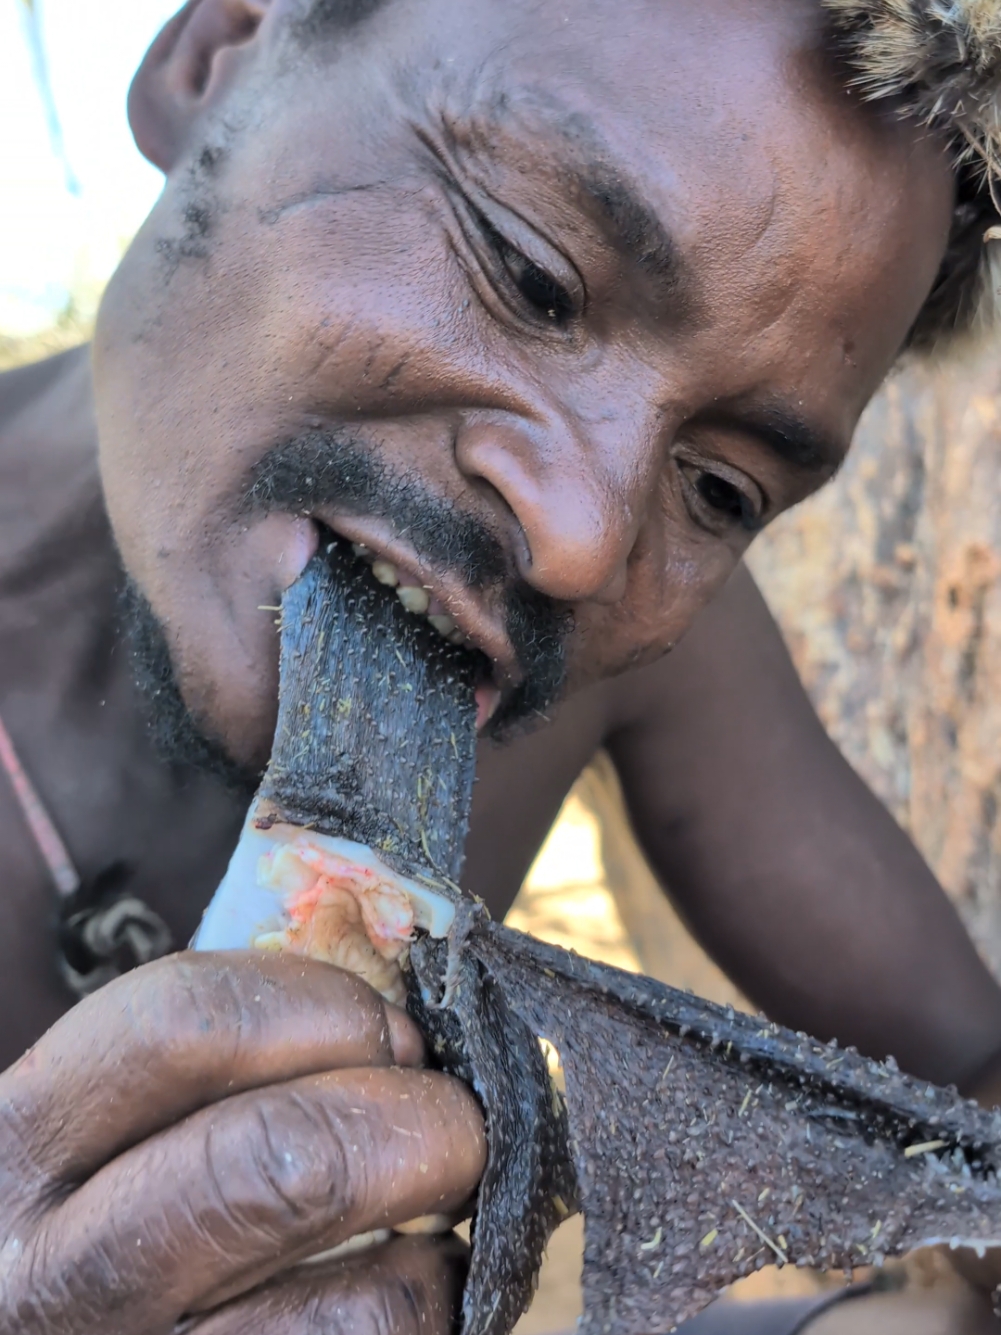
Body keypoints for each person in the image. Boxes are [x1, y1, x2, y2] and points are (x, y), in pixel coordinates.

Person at [4, 0, 1001, 1330]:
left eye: (715, 488)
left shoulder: (637, 658)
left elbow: (969, 1079)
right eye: (532, 276)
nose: (583, 541)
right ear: (212, 60)